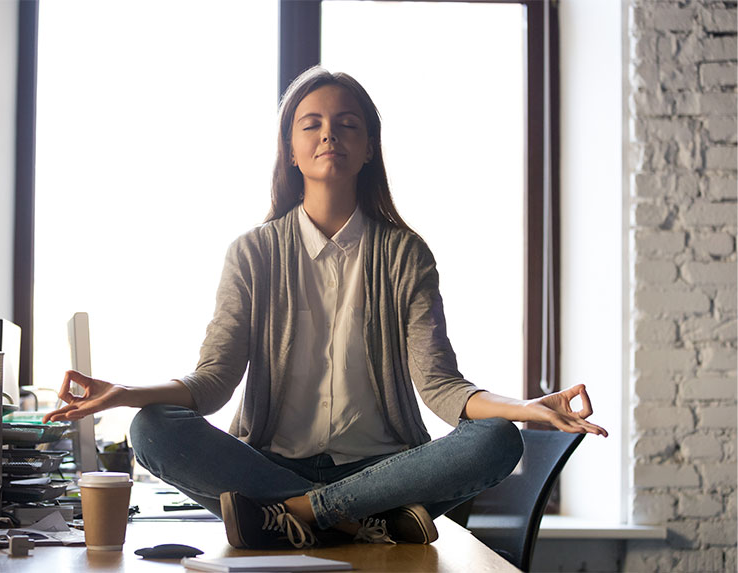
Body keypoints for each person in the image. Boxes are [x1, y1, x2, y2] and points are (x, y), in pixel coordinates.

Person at [44, 66, 607, 550]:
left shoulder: (405, 253)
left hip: (385, 471)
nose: (328, 135)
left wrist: (521, 406)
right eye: (310, 123)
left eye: (347, 124)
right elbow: (214, 382)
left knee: (499, 439)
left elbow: (441, 388)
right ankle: (357, 522)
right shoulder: (254, 252)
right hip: (269, 467)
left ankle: (301, 518)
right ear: (290, 149)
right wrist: (125, 394)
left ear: (368, 148)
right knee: (151, 430)